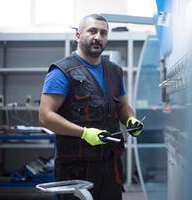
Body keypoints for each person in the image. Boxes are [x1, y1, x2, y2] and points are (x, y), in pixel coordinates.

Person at [38, 14, 144, 200]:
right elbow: (45, 116)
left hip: (111, 165)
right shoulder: (62, 71)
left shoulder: (114, 71)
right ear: (78, 36)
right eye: (92, 31)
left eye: (103, 33)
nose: (98, 37)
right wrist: (84, 133)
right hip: (76, 169)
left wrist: (130, 120)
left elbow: (122, 105)